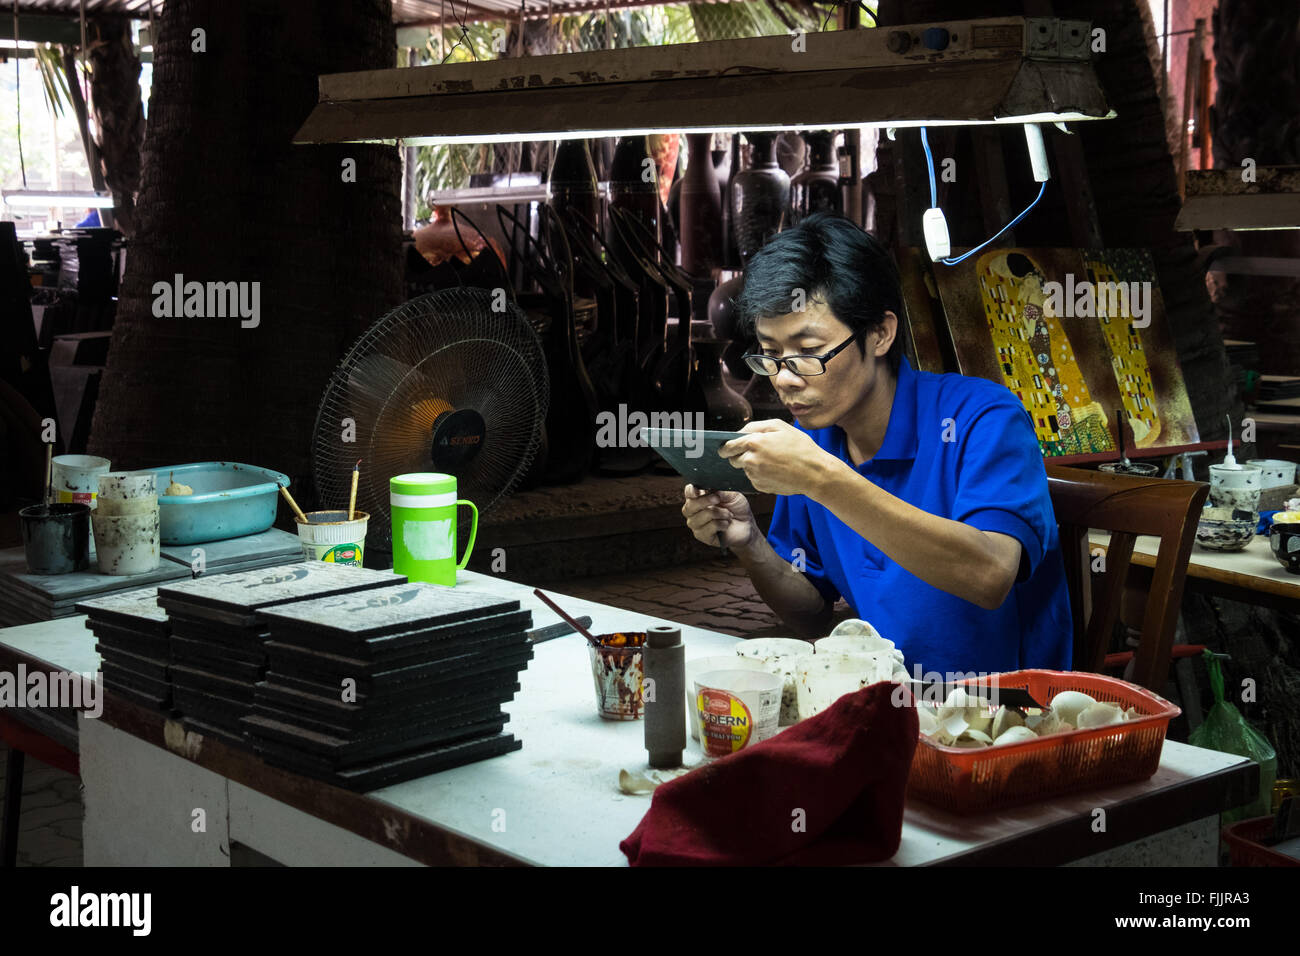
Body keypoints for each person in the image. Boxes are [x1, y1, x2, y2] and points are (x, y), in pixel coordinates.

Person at [680, 214, 1072, 678]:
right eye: (770, 354)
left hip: (1003, 718)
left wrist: (822, 479)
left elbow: (989, 575)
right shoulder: (815, 437)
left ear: (880, 333)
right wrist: (750, 543)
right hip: (888, 707)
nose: (784, 377)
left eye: (808, 351)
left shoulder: (982, 419)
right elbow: (811, 611)